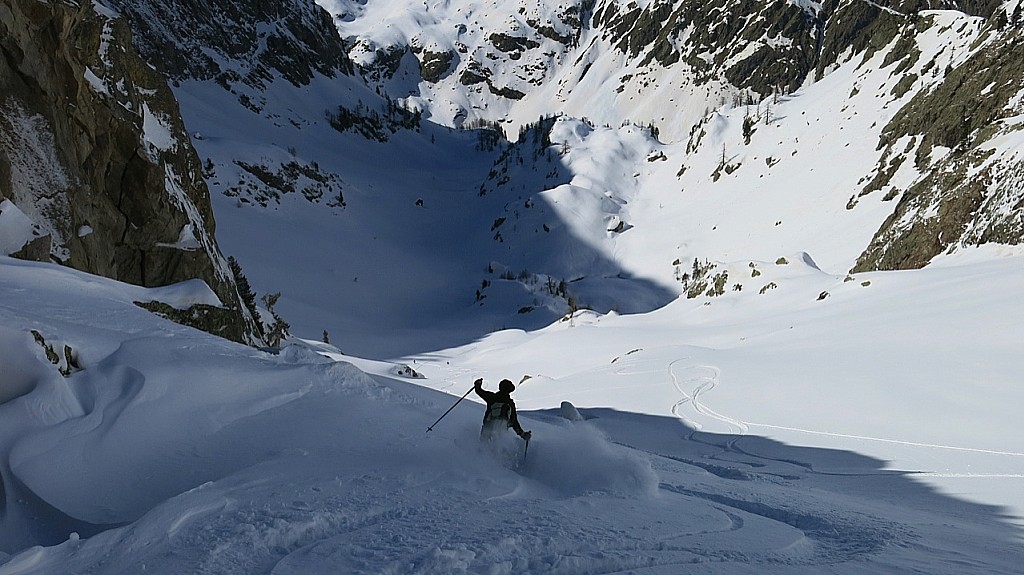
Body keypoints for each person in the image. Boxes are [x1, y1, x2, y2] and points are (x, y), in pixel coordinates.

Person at [474, 378, 531, 443]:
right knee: (498, 448)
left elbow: (479, 391)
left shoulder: (492, 397)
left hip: (487, 427)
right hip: (501, 430)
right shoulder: (510, 403)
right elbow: (514, 421)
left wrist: (477, 384)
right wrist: (523, 434)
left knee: (484, 446)